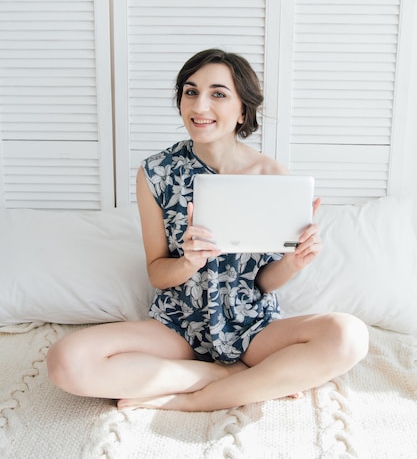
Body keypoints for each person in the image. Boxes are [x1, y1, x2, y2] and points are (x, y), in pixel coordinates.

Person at [47, 48, 369, 412]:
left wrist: (294, 262)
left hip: (254, 327)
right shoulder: (157, 172)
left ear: (242, 109)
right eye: (190, 91)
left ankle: (191, 402)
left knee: (350, 336)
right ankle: (223, 378)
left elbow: (262, 282)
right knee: (65, 360)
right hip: (178, 324)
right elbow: (157, 272)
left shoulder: (273, 177)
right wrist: (188, 262)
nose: (200, 106)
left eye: (218, 94)